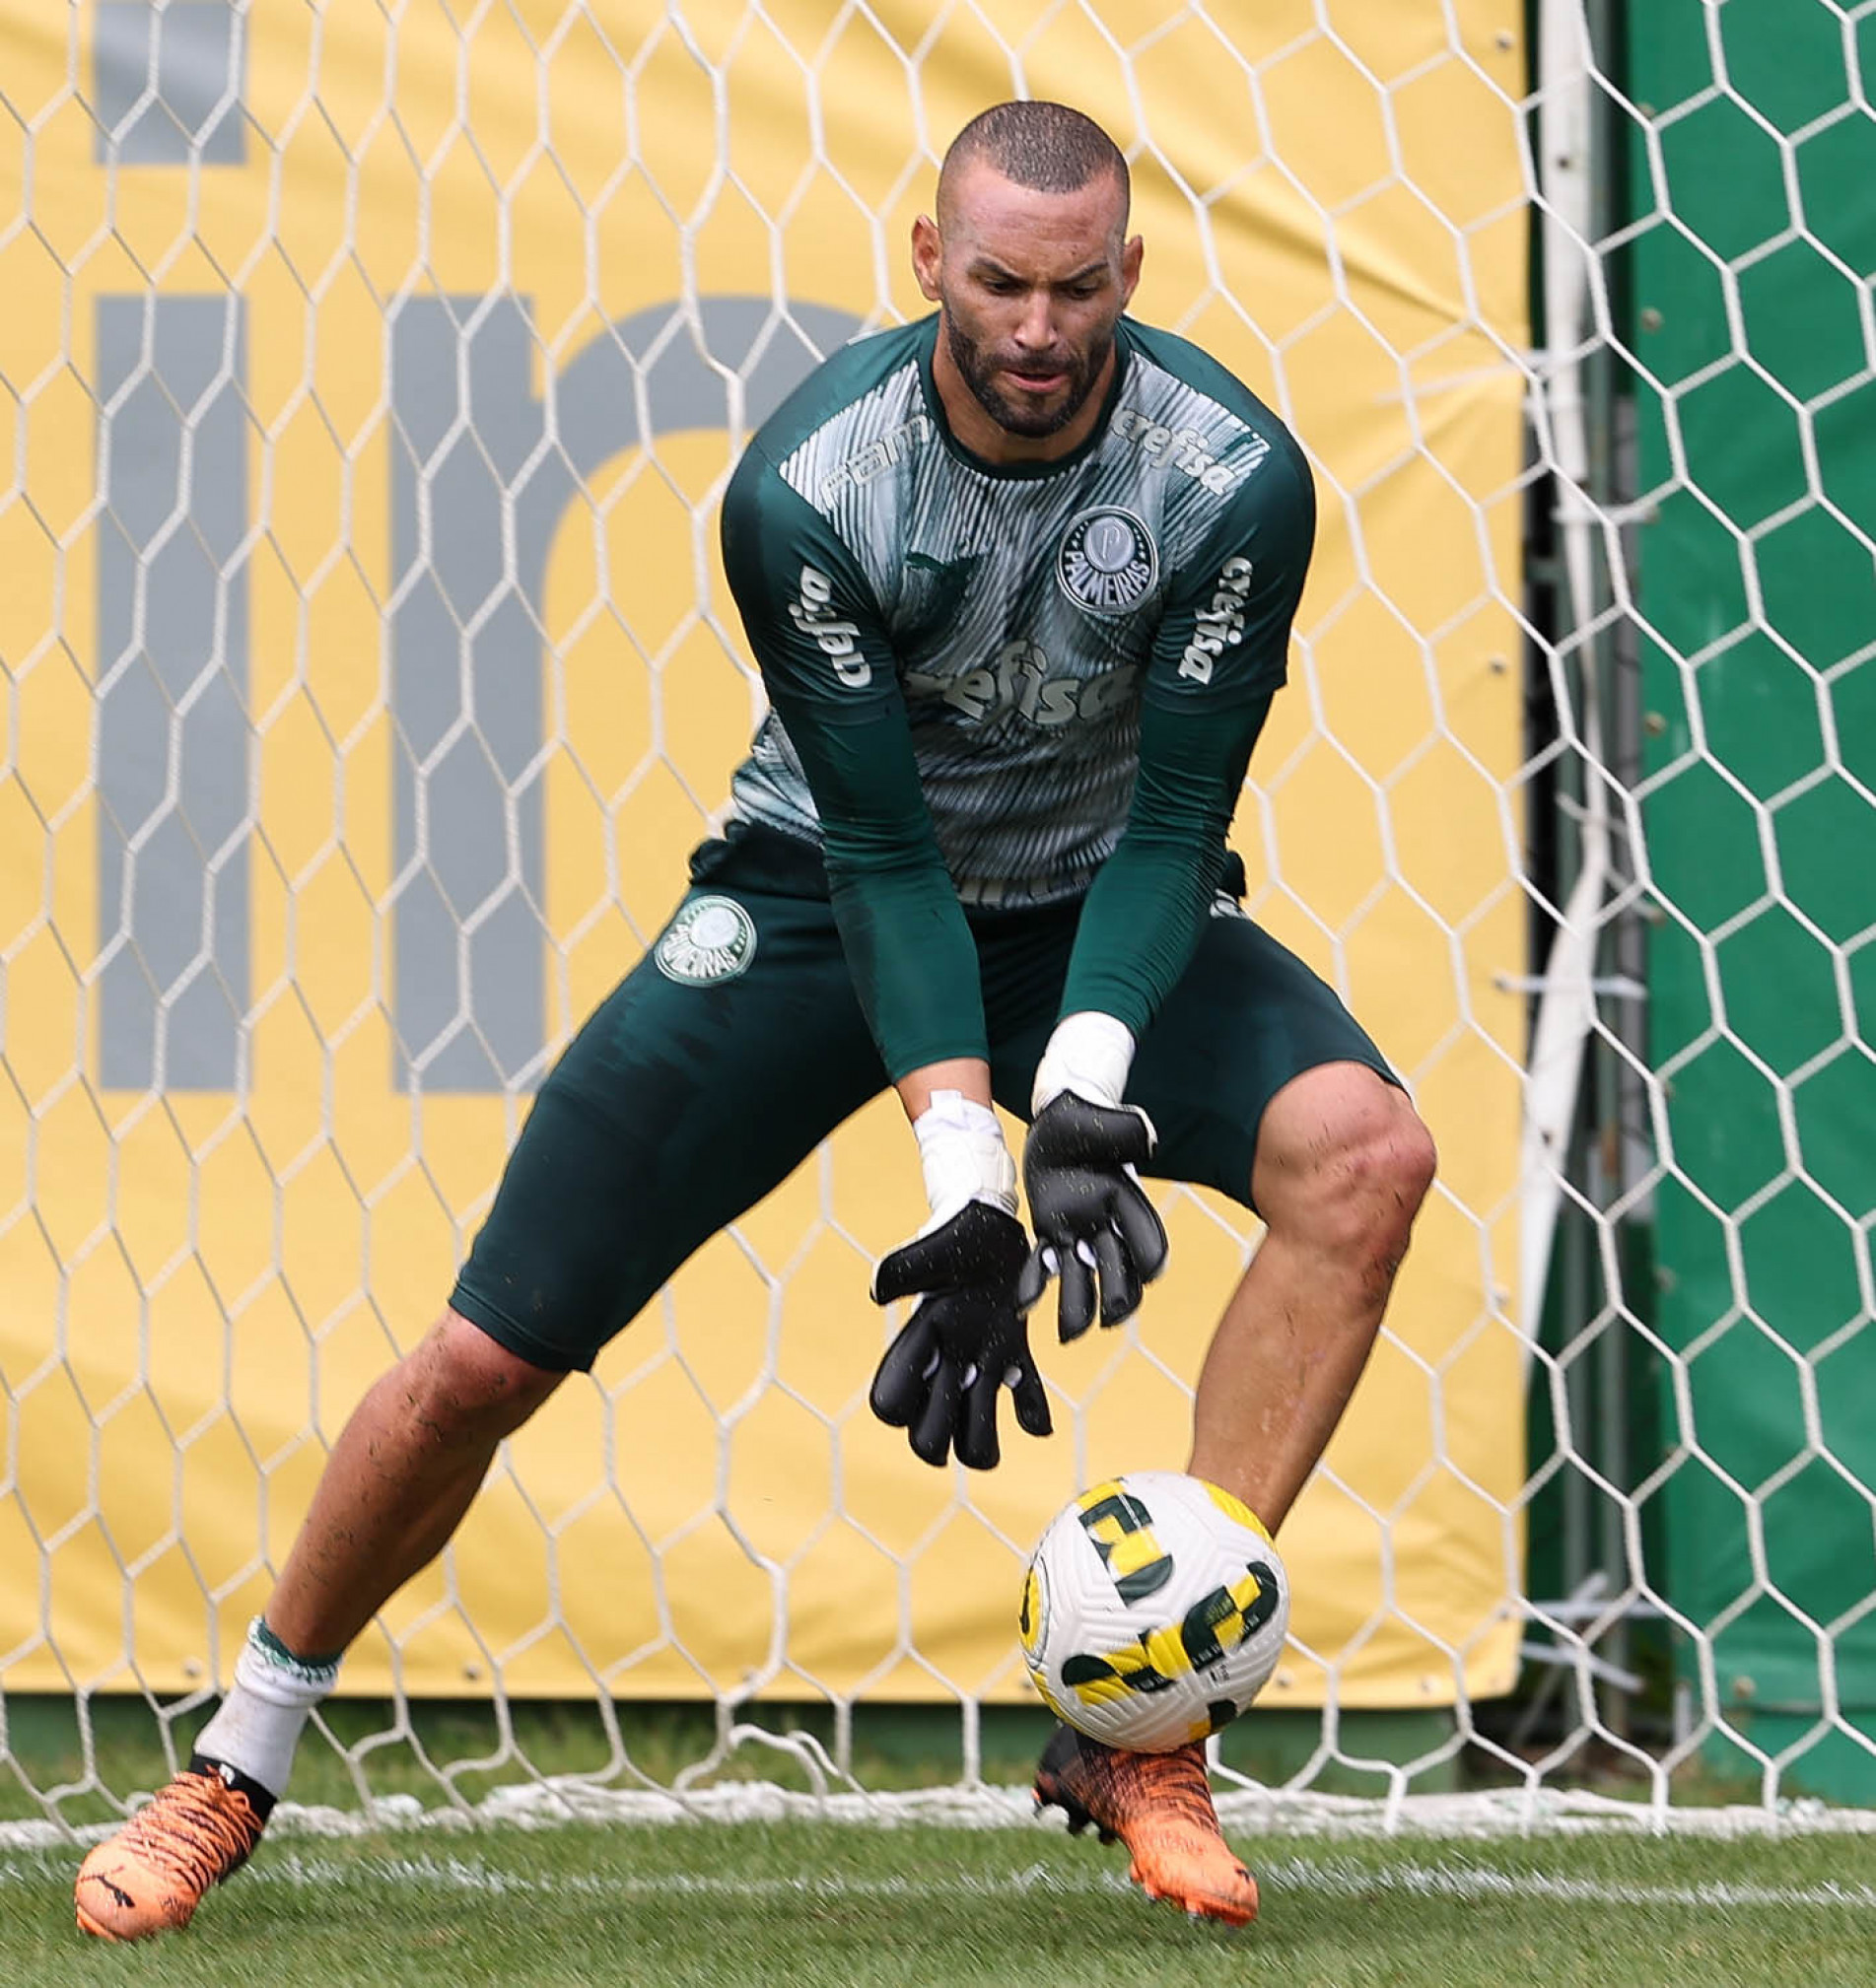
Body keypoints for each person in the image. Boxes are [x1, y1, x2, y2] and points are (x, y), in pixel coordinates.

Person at [75, 100, 1435, 1941]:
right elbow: (879, 846)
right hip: (817, 899)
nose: (1039, 328)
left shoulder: (1231, 476)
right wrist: (972, 1168)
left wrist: (1090, 1083)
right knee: (484, 1357)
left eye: (1079, 287)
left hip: (1098, 906)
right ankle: (235, 1754)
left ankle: (1152, 1712)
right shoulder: (808, 482)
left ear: (1135, 272)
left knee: (1369, 1154)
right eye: (1000, 282)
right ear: (925, 263)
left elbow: (1180, 823)